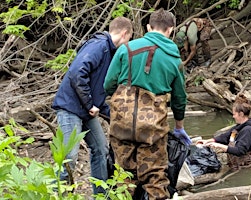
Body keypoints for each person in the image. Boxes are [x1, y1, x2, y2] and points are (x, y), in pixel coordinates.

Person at [103, 8, 189, 200]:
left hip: (122, 121)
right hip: (152, 127)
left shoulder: (125, 49)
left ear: (148, 27)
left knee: (123, 175)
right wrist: (179, 126)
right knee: (155, 178)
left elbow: (108, 84)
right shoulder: (175, 60)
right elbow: (179, 98)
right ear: (171, 30)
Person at [51, 17, 133, 194]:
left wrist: (117, 118)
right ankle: (50, 194)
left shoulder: (109, 52)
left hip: (86, 110)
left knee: (100, 149)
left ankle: (101, 195)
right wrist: (89, 104)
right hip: (70, 108)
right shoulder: (99, 46)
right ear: (125, 34)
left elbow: (97, 91)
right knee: (69, 157)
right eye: (129, 39)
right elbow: (76, 73)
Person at [196, 94, 251, 170]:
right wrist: (208, 141)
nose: (233, 116)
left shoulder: (248, 130)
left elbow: (239, 151)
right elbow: (225, 137)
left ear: (241, 114)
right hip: (234, 164)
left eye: (234, 114)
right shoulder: (238, 127)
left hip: (243, 166)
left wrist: (218, 145)